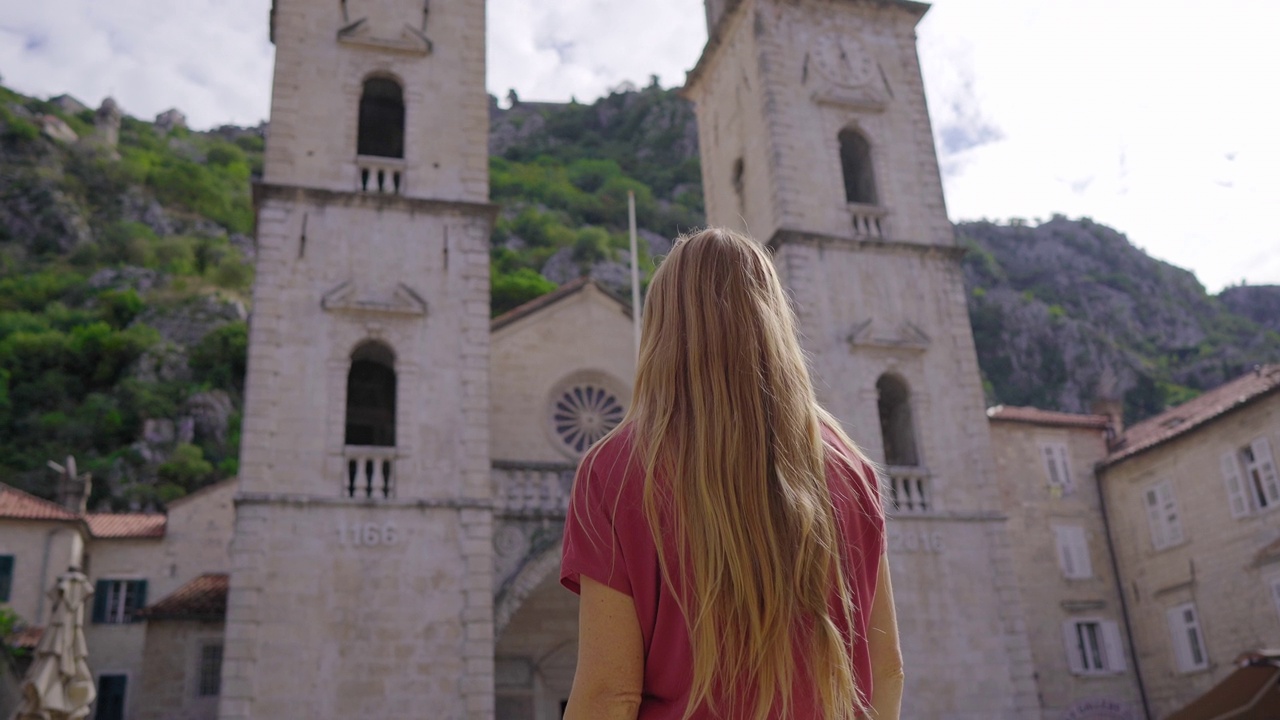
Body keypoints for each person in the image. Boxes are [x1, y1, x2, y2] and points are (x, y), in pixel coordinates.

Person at [560, 227, 903, 720]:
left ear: (661, 328)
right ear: (774, 320)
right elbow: (886, 671)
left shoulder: (613, 469)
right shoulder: (853, 470)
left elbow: (609, 693)